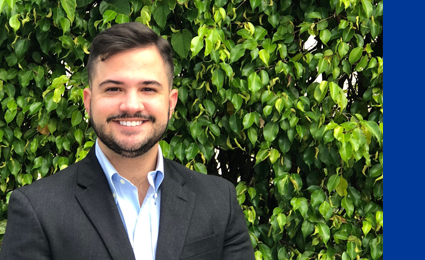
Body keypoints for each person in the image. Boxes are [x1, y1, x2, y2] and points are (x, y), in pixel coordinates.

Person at [0, 22, 254, 260]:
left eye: (148, 89)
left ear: (171, 102)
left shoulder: (220, 201)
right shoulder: (37, 209)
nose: (131, 105)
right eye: (113, 88)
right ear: (88, 102)